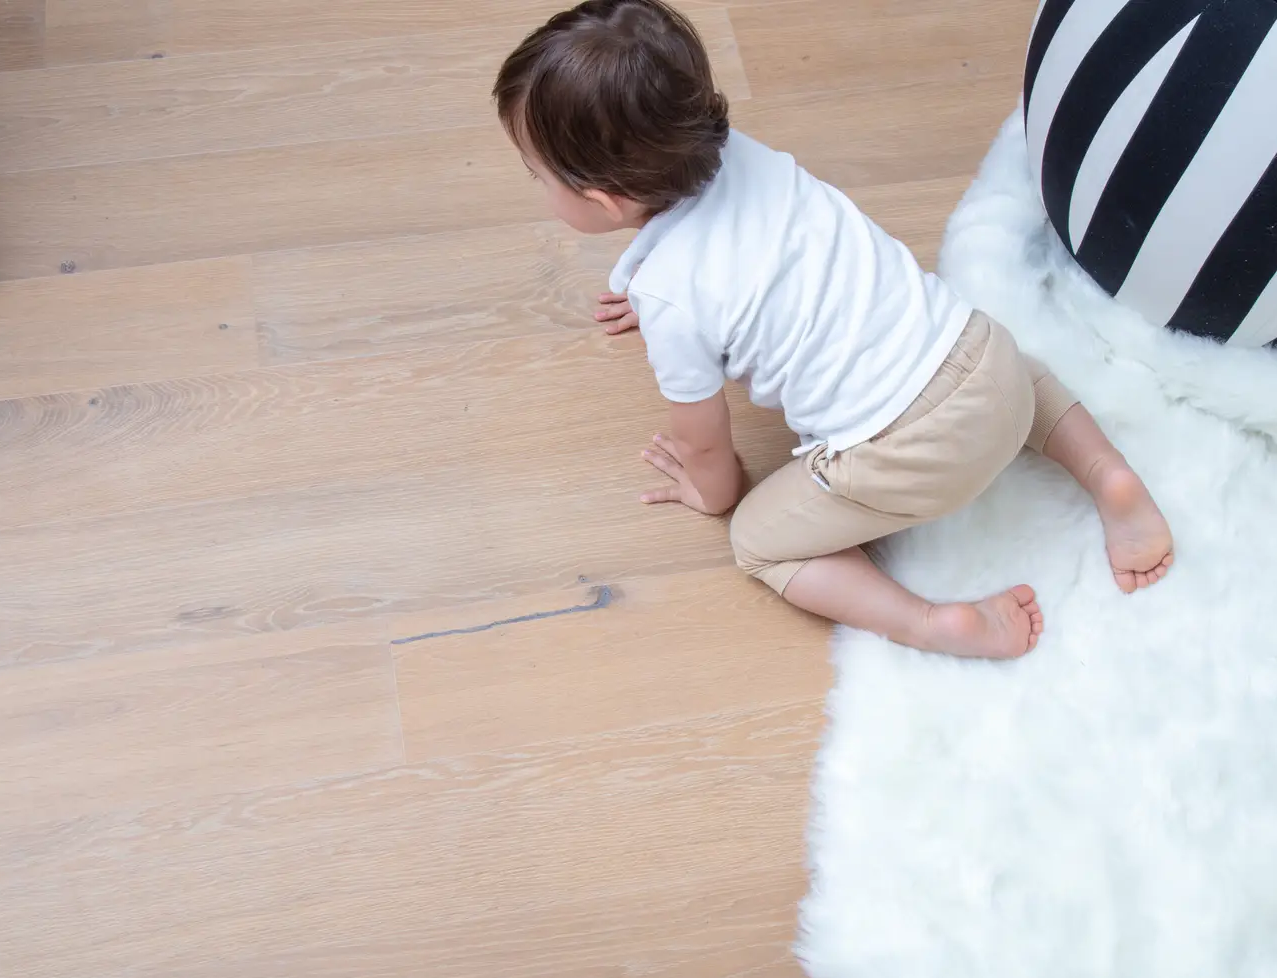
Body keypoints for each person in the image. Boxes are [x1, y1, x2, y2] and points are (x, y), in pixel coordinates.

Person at [493, 0, 1174, 659]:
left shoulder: (675, 300)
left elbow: (709, 452)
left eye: (538, 176)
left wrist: (710, 490)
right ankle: (1109, 476)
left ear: (603, 201)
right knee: (1015, 368)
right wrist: (659, 296)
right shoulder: (735, 154)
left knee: (756, 539)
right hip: (983, 359)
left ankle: (931, 622)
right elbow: (747, 262)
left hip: (912, 455)